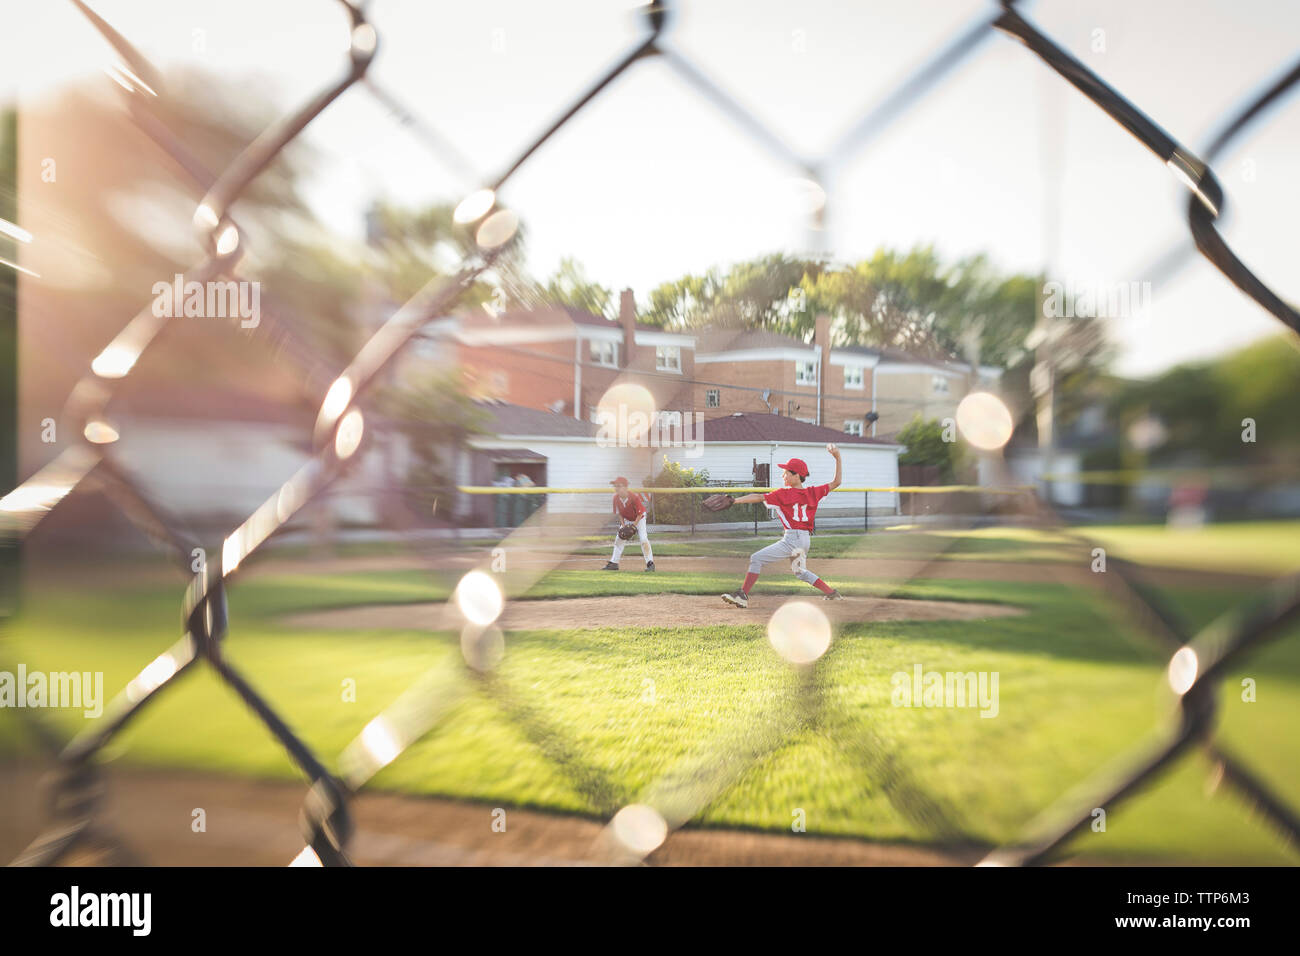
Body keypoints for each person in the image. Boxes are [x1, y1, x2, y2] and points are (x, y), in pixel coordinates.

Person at [721, 444, 842, 607]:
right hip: (805, 540)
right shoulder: (813, 492)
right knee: (800, 572)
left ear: (797, 476)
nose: (783, 475)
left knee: (756, 558)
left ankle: (742, 596)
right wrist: (837, 457)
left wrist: (736, 500)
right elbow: (837, 482)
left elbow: (758, 497)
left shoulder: (783, 493)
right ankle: (831, 593)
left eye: (786, 473)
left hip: (792, 539)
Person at [603, 476, 655, 572]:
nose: (616, 488)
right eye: (615, 486)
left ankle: (650, 563)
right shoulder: (615, 498)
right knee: (619, 538)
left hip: (639, 518)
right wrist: (623, 526)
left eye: (619, 486)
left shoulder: (634, 497)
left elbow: (639, 514)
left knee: (643, 539)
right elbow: (620, 514)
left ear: (626, 487)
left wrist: (633, 526)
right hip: (627, 518)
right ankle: (614, 563)